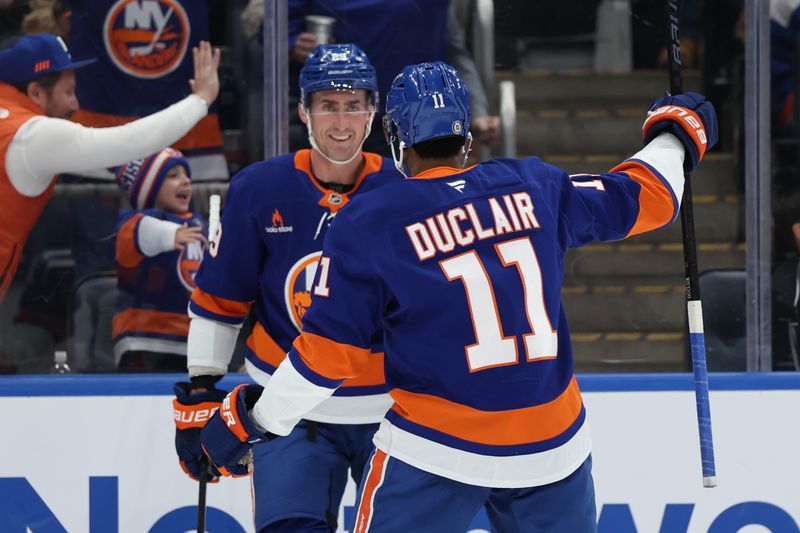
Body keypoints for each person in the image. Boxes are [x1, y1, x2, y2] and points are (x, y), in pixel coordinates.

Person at [198, 62, 718, 532]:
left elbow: (329, 357)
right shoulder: (534, 185)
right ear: (467, 137)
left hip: (438, 451)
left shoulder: (374, 220)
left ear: (396, 139)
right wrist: (676, 135)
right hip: (553, 446)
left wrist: (255, 419)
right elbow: (646, 197)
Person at [172, 43, 401, 533]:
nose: (341, 122)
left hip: (394, 411)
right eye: (327, 106)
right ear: (303, 110)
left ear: (374, 110)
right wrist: (202, 388)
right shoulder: (259, 188)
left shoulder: (405, 191)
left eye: (354, 105)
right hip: (285, 408)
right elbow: (221, 299)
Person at [0, 33, 220, 302]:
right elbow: (128, 142)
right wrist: (200, 100)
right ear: (35, 92)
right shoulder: (29, 135)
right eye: (68, 92)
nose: (75, 104)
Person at [282, 0, 500, 153]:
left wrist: (475, 110)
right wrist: (293, 43)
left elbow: (452, 51)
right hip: (335, 120)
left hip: (410, 126)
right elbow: (275, 30)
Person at [112, 148, 207, 372]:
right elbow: (141, 231)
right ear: (149, 189)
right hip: (145, 338)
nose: (185, 181)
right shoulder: (138, 221)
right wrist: (170, 235)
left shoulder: (200, 222)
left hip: (194, 339)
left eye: (186, 175)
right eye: (173, 176)